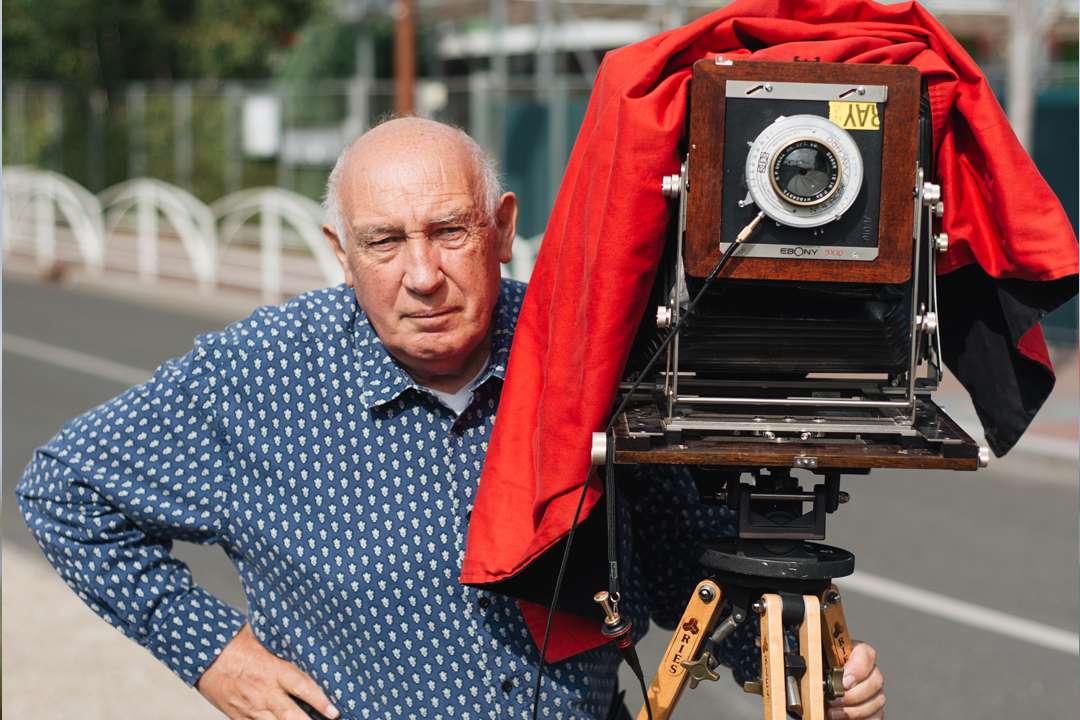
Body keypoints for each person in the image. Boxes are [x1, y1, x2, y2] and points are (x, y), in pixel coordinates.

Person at [16, 117, 885, 719]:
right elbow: (62, 492)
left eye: (450, 231)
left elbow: (681, 562)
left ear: (503, 229)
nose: (422, 274)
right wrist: (214, 656)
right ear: (340, 255)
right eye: (384, 242)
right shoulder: (259, 374)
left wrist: (805, 676)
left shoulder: (583, 353)